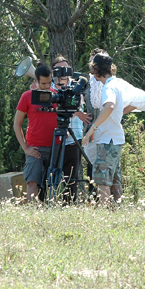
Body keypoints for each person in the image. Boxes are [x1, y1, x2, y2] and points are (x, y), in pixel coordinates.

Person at [82, 53, 145, 204]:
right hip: (116, 140)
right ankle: (117, 212)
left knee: (101, 181)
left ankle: (105, 213)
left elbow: (109, 106)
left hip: (108, 140)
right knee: (114, 180)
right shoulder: (120, 83)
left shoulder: (109, 87)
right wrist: (118, 112)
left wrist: (92, 128)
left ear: (95, 70)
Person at [13, 65, 59, 202]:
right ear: (36, 81)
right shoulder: (27, 97)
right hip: (35, 149)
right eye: (43, 83)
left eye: (49, 82)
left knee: (54, 184)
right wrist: (26, 148)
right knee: (32, 182)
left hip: (55, 147)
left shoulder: (56, 97)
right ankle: (32, 213)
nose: (46, 86)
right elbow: (17, 124)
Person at [52, 55, 91, 203]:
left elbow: (74, 104)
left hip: (74, 136)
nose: (63, 73)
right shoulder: (48, 86)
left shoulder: (77, 85)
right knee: (52, 172)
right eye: (59, 69)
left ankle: (69, 204)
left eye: (66, 69)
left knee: (71, 174)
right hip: (54, 136)